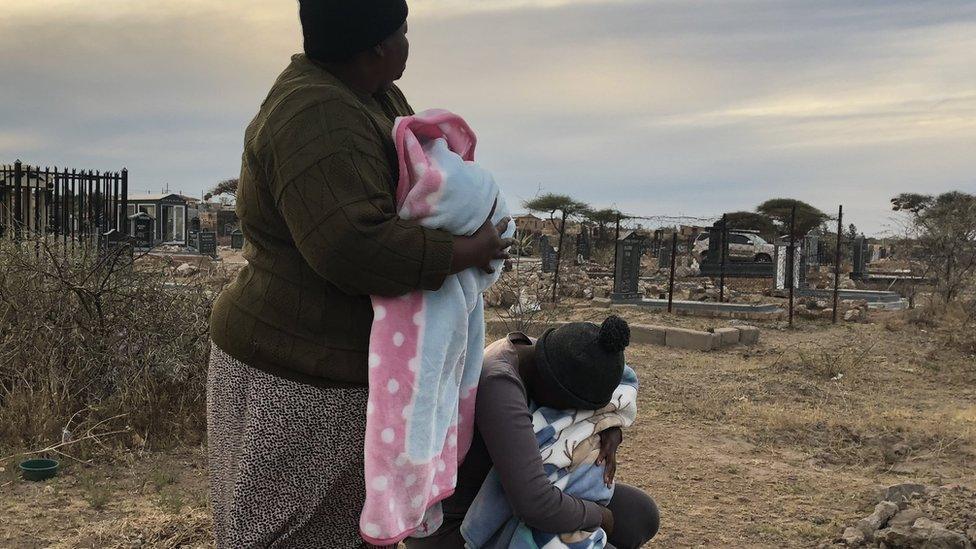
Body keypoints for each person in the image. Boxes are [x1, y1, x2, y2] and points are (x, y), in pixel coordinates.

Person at [206, 1, 513, 546]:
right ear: (378, 45)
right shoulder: (317, 117)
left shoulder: (362, 94)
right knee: (292, 530)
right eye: (403, 31)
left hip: (310, 359)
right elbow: (354, 248)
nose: (406, 42)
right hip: (296, 371)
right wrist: (469, 249)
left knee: (321, 527)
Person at [406, 316, 660, 549]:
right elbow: (536, 504)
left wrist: (609, 423)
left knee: (639, 514)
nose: (579, 414)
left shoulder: (542, 354)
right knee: (608, 530)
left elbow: (616, 384)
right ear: (556, 393)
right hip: (461, 527)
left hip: (511, 502)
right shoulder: (498, 387)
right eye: (578, 409)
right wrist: (600, 517)